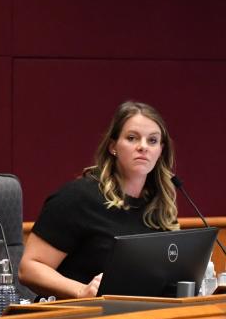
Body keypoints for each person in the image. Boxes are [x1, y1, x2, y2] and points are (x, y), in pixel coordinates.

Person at [19, 101, 179, 299]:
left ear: (160, 150)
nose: (143, 147)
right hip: (76, 317)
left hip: (136, 316)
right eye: (132, 138)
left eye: (152, 141)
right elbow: (29, 267)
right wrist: (81, 291)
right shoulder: (78, 197)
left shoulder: (159, 207)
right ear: (113, 146)